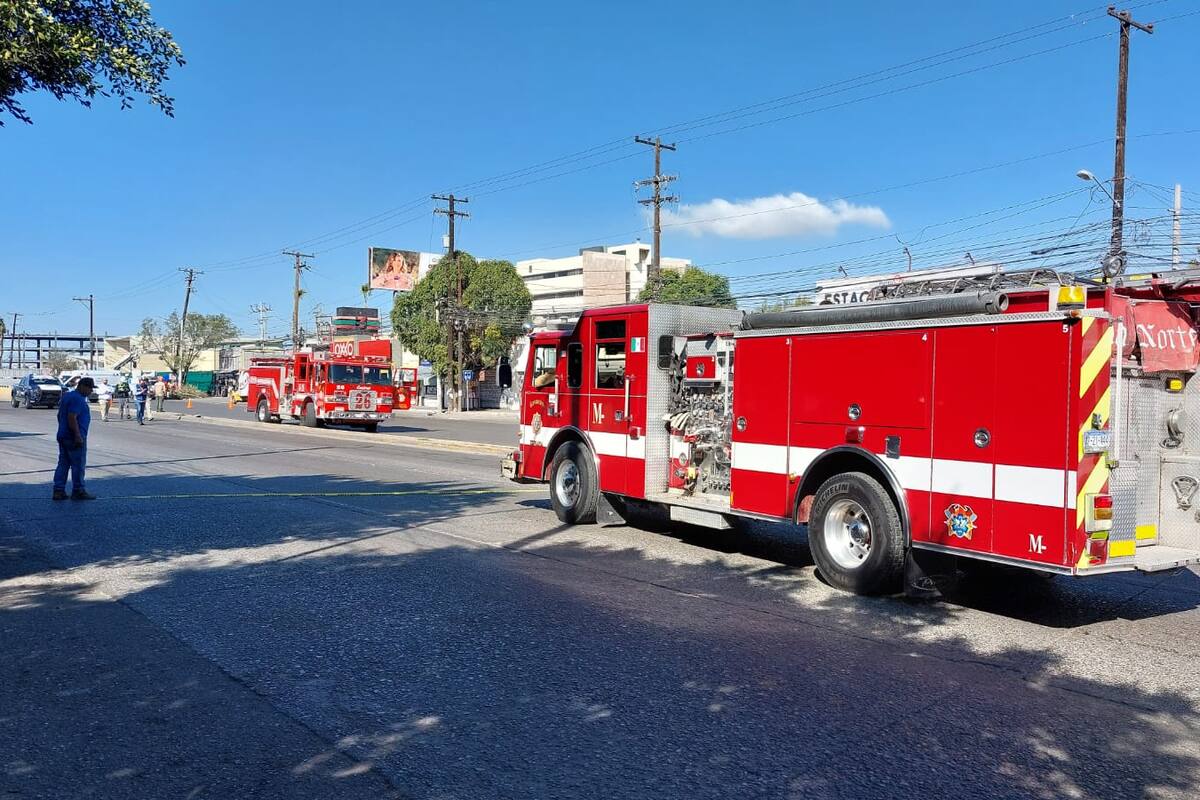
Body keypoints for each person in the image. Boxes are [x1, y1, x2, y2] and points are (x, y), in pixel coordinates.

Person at [53, 377, 95, 500]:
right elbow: (72, 417)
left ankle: (58, 490)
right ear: (82, 386)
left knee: (63, 463)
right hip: (74, 437)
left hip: (63, 435)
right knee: (78, 465)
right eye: (90, 388)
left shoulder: (67, 396)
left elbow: (59, 415)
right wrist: (77, 435)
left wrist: (62, 428)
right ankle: (78, 490)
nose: (90, 391)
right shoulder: (78, 399)